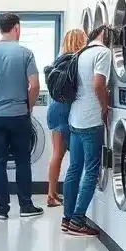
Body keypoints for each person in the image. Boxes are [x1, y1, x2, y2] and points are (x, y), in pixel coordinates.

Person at [0, 13, 43, 221]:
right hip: (19, 114)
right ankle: (26, 206)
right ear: (17, 28)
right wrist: (28, 106)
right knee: (23, 160)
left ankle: (2, 209)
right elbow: (36, 85)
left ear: (0, 29)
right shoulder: (25, 53)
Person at [61, 25, 111, 237]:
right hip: (91, 119)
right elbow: (98, 83)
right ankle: (78, 220)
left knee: (74, 168)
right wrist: (105, 105)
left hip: (75, 118)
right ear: (106, 37)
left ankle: (67, 217)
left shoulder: (80, 53)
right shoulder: (103, 52)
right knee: (91, 171)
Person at [45, 27, 87, 207]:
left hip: (54, 108)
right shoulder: (77, 62)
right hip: (66, 110)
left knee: (57, 154)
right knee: (70, 156)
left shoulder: (58, 61)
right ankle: (55, 195)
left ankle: (51, 194)